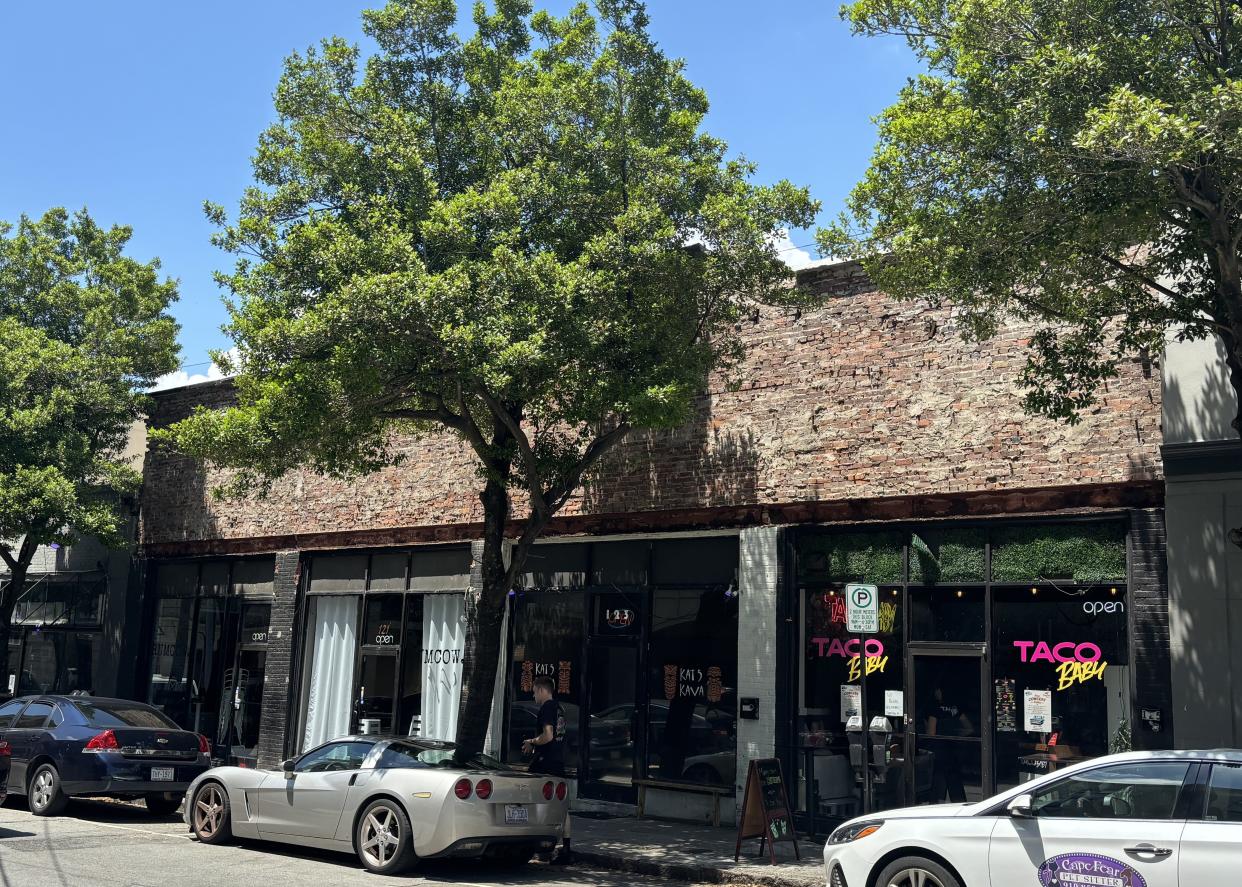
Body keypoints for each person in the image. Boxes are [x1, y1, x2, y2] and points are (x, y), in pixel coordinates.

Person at [522, 676, 571, 862]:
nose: (534, 696)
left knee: (530, 800)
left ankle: (536, 845)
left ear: (542, 690)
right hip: (558, 760)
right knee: (563, 805)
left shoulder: (547, 707)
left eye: (534, 691)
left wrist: (531, 742)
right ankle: (566, 849)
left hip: (545, 762)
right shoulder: (559, 708)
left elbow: (548, 735)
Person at [923, 685, 973, 803]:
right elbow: (969, 728)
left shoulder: (935, 709)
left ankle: (936, 805)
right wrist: (957, 736)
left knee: (938, 781)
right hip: (954, 751)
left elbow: (931, 733)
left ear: (940, 692)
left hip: (939, 751)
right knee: (955, 781)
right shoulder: (955, 709)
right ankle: (960, 805)